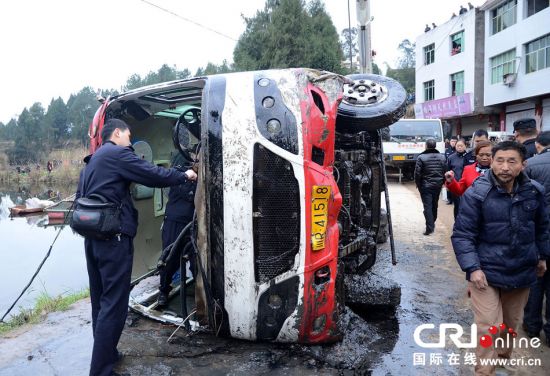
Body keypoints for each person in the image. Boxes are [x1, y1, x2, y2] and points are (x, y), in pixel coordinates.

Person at [76, 118, 198, 376]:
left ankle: (107, 353)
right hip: (113, 240)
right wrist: (183, 175)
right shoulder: (118, 154)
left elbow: (80, 198)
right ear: (117, 134)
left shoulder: (93, 161)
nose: (130, 142)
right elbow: (151, 174)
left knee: (100, 300)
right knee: (114, 304)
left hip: (93, 240)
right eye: (129, 137)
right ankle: (100, 371)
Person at [452, 141, 549, 376]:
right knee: (489, 326)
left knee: (509, 324)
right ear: (491, 162)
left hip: (521, 269)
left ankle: (503, 361)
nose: (505, 167)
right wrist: (473, 268)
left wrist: (542, 256)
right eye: (500, 161)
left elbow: (543, 227)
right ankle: (484, 371)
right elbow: (463, 234)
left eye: (511, 161)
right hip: (485, 271)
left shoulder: (534, 191)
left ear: (523, 165)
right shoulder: (477, 193)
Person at [157, 153, 197, 307]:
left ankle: (202, 293)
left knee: (197, 261)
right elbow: (187, 194)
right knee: (169, 259)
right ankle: (163, 291)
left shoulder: (202, 175)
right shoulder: (178, 174)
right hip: (174, 223)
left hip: (194, 223)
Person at [522, 131, 550, 345]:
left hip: (537, 229)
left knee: (536, 279)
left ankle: (532, 327)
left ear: (539, 145)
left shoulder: (530, 164)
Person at [414, 139, 446, 235]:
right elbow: (445, 170)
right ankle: (432, 222)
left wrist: (418, 184)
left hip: (425, 185)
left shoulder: (421, 157)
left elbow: (417, 173)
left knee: (427, 206)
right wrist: (442, 182)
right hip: (438, 185)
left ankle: (430, 227)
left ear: (426, 146)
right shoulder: (442, 157)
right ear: (435, 146)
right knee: (434, 204)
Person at [446, 138, 467, 214]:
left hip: (467, 186)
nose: (459, 147)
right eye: (458, 146)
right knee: (457, 206)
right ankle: (457, 223)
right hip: (456, 185)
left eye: (461, 146)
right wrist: (448, 185)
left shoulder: (469, 157)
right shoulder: (451, 158)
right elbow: (447, 171)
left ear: (465, 146)